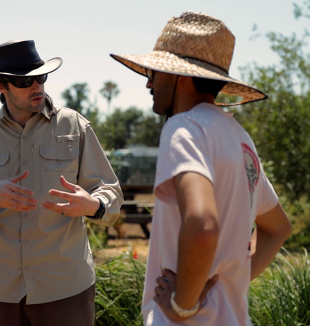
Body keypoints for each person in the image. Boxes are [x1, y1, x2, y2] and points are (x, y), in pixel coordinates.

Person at [110, 12, 292, 325]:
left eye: (157, 72)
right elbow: (278, 229)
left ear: (180, 76)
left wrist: (183, 304)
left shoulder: (184, 128)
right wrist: (230, 282)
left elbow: (203, 224)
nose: (148, 82)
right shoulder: (239, 137)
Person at [0, 39, 123, 326]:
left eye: (41, 77)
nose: (37, 87)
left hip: (66, 289)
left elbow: (111, 195)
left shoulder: (75, 126)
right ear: (0, 85)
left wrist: (93, 204)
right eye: (24, 81)